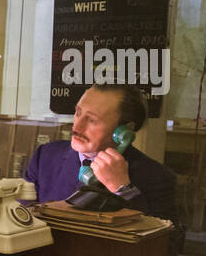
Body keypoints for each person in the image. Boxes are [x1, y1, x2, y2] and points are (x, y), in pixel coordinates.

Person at [24, 83, 177, 221]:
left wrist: (123, 189)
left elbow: (166, 245)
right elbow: (22, 218)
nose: (77, 127)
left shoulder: (157, 177)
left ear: (124, 131)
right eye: (78, 113)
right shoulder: (45, 157)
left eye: (92, 120)